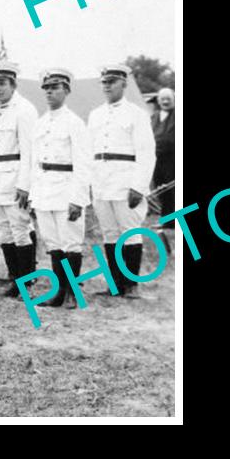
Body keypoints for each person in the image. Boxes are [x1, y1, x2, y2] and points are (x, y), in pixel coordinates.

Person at [89, 64, 157, 298]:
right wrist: (91, 182)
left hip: (126, 179)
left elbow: (147, 152)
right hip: (101, 180)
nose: (107, 86)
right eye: (104, 82)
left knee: (130, 231)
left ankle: (131, 284)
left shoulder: (136, 114)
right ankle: (115, 284)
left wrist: (139, 186)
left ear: (123, 84)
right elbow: (90, 150)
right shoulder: (95, 114)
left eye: (112, 82)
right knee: (109, 233)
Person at [29, 69, 93, 309]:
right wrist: (33, 195)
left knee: (70, 243)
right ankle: (59, 292)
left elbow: (84, 163)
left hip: (66, 189)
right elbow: (35, 162)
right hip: (44, 189)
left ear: (66, 90)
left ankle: (72, 293)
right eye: (46, 88)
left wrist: (78, 199)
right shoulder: (41, 123)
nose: (49, 92)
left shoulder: (74, 123)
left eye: (55, 87)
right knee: (53, 243)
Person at [0, 61, 39, 298]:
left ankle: (25, 281)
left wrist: (25, 184)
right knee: (4, 230)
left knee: (19, 228)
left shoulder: (25, 109)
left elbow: (29, 151)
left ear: (13, 84)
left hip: (14, 176)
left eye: (2, 83)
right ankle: (15, 276)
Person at [151, 87, 175, 218]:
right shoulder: (154, 116)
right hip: (157, 159)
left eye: (169, 99)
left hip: (173, 159)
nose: (165, 102)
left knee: (174, 189)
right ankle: (167, 219)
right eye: (162, 99)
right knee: (161, 189)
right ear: (158, 101)